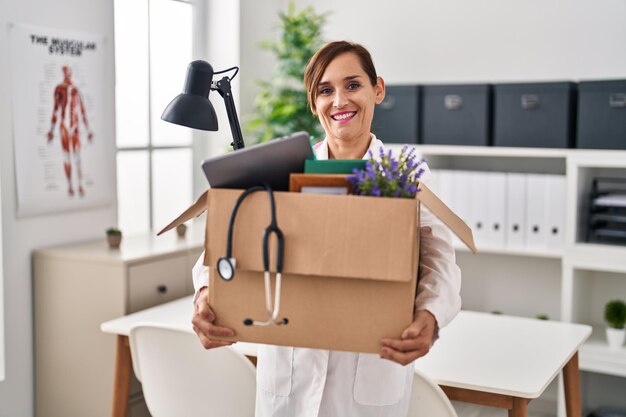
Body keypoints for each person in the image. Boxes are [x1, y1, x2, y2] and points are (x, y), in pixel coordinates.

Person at [191, 40, 461, 417]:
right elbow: (223, 245)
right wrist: (206, 293)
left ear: (377, 89)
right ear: (313, 102)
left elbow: (438, 258)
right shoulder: (281, 170)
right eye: (325, 90)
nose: (339, 101)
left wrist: (430, 316)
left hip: (366, 385)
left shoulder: (402, 172)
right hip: (288, 386)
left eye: (353, 85)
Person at [47, 64, 93, 197]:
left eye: (68, 72)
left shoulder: (76, 90)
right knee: (67, 157)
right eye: (64, 72)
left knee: (77, 156)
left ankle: (79, 185)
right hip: (64, 126)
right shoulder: (59, 89)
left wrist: (88, 129)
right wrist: (51, 129)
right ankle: (70, 186)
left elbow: (83, 110)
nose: (66, 75)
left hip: (75, 126)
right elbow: (55, 110)